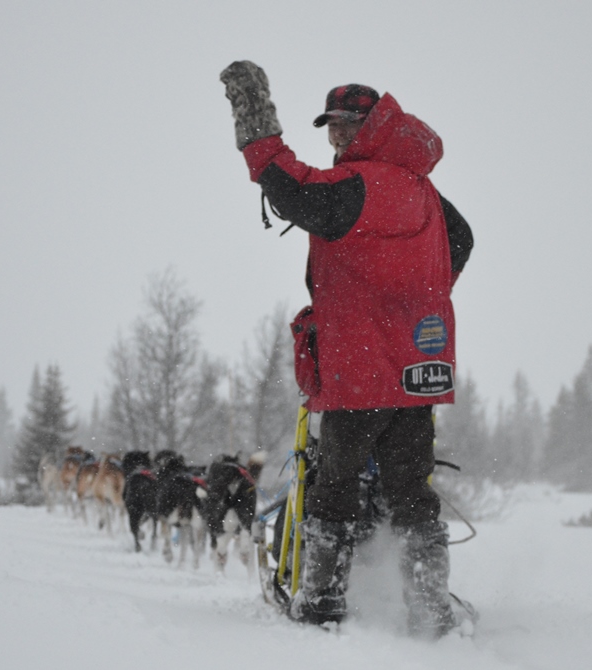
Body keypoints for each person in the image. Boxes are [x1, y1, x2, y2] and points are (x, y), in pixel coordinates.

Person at [220, 62, 473, 638]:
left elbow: (290, 190)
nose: (336, 135)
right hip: (418, 370)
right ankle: (429, 609)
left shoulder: (360, 185)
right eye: (330, 125)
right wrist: (417, 296)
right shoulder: (420, 189)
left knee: (333, 486)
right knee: (411, 492)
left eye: (346, 125)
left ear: (372, 127)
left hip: (361, 370)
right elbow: (461, 239)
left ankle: (323, 601)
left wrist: (254, 120)